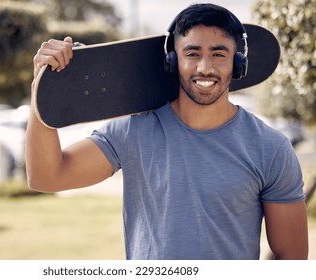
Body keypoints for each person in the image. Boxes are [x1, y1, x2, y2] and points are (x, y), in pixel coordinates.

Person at [26, 3, 308, 260]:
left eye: (219, 54)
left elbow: (291, 258)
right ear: (173, 61)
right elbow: (47, 177)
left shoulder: (270, 148)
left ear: (238, 62)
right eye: (192, 53)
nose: (205, 67)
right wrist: (41, 87)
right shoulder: (134, 131)